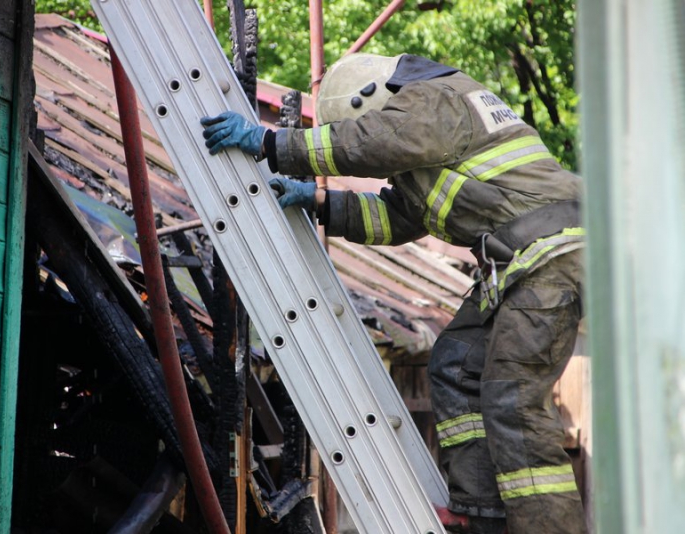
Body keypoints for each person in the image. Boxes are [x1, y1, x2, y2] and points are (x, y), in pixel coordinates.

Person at [200, 53, 586, 534]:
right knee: (455, 362)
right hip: (523, 263)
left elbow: (372, 142)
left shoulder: (436, 97)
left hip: (553, 253)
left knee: (512, 397)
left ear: (373, 99)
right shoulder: (429, 143)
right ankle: (484, 512)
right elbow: (398, 218)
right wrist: (320, 202)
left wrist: (270, 142)